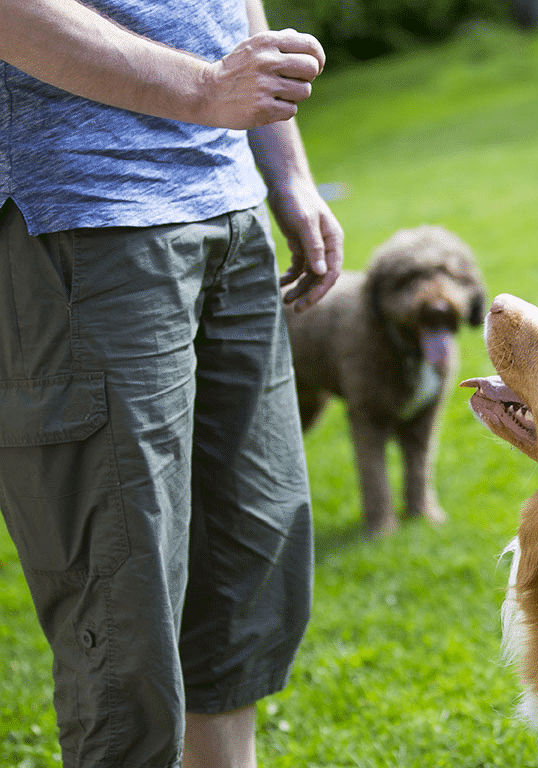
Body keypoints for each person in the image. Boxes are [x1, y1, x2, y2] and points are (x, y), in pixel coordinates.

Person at [0, 1, 343, 766]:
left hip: (230, 204)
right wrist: (206, 90)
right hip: (86, 217)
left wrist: (283, 166)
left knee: (242, 580)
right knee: (124, 611)